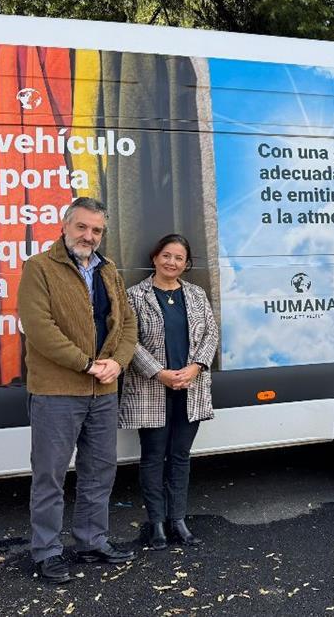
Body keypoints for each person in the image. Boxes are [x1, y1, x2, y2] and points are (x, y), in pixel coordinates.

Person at [18, 197, 139, 583]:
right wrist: (86, 364)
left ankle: (91, 542)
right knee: (50, 476)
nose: (89, 236)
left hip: (103, 391)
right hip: (57, 391)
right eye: (82, 227)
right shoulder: (39, 267)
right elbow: (39, 329)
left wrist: (117, 363)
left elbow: (128, 326)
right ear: (65, 225)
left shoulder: (109, 271)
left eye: (97, 230)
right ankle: (47, 552)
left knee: (99, 472)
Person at [120, 234, 219, 549]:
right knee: (152, 458)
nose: (171, 262)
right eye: (166, 255)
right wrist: (159, 373)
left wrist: (195, 367)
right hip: (153, 389)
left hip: (190, 387)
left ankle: (178, 520)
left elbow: (211, 333)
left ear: (185, 264)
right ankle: (157, 524)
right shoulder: (135, 296)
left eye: (179, 258)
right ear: (154, 257)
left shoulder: (196, 294)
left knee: (179, 457)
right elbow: (128, 340)